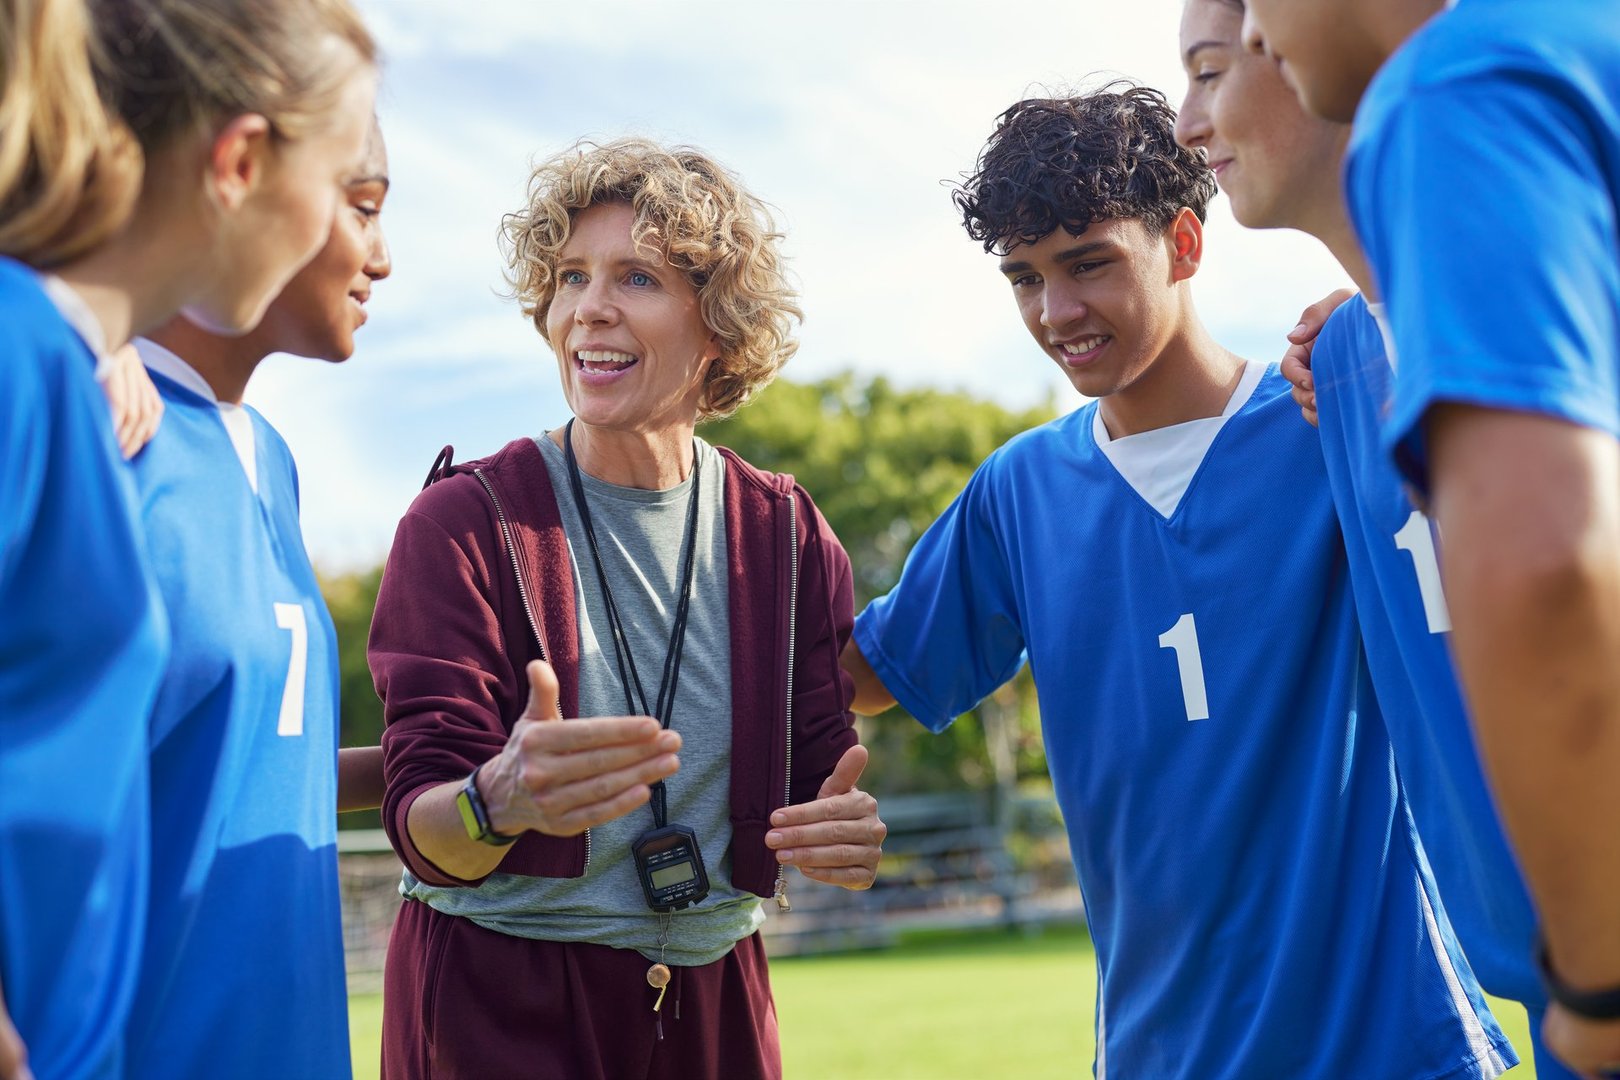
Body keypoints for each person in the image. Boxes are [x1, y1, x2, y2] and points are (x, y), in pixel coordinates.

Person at [841, 85, 1512, 1078]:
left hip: (1396, 1044)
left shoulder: (1327, 417)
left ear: (1186, 245)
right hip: (1163, 1057)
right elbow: (863, 673)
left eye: (1089, 263)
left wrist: (1383, 332)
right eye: (1024, 278)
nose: (1055, 311)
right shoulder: (1019, 492)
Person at [368, 137, 886, 1080]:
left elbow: (819, 767)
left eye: (636, 277)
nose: (589, 308)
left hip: (717, 986)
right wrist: (495, 802)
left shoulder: (785, 532)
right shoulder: (462, 524)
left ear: (719, 329)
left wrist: (840, 832)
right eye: (570, 276)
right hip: (498, 995)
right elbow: (423, 825)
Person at [1172, 2, 1571, 1074]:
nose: (1186, 119)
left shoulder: (1525, 181)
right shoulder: (1341, 362)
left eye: (1211, 69)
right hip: (1560, 985)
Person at [0, 1, 376, 1077]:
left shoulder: (56, 364)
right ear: (243, 160)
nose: (356, 242)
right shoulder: (28, 360)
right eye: (347, 187)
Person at [116, 114, 389, 1079]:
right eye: (362, 208)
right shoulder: (93, 428)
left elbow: (236, 766)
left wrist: (479, 778)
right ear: (239, 176)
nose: (383, 259)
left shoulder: (269, 457)